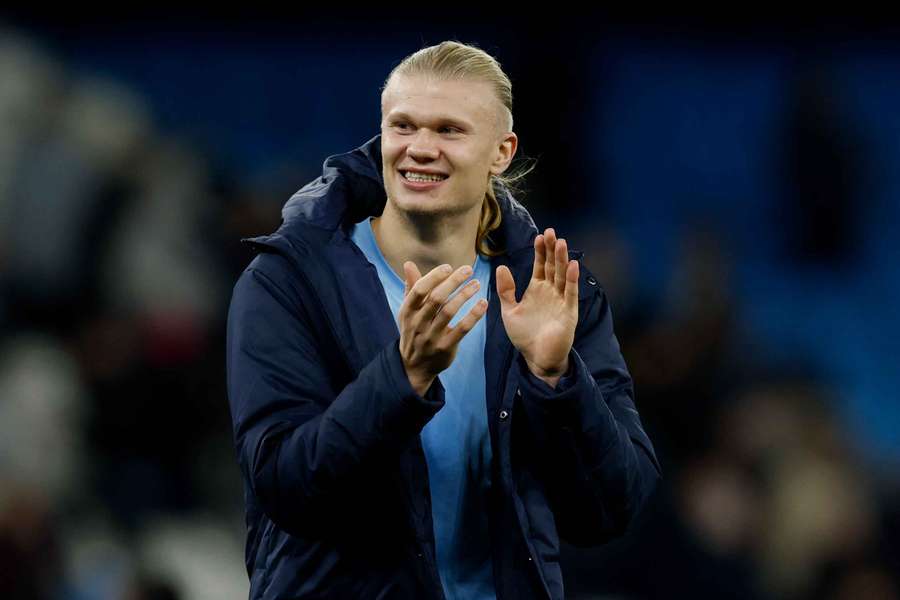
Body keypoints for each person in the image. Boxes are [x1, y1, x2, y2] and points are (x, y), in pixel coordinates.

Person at [226, 40, 661, 600]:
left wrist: (557, 380)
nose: (420, 148)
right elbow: (284, 487)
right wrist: (404, 376)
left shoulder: (552, 291)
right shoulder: (289, 284)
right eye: (403, 126)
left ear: (501, 152)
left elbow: (612, 509)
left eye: (449, 130)